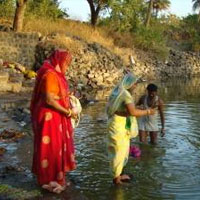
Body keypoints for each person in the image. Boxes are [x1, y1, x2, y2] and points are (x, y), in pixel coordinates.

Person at [30, 49, 77, 194]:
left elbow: (55, 95)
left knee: (56, 146)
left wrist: (66, 97)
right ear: (59, 60)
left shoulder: (55, 74)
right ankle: (49, 179)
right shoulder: (50, 74)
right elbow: (49, 99)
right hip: (50, 116)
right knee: (51, 148)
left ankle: (55, 177)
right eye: (66, 63)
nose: (67, 66)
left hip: (55, 115)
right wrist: (68, 112)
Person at [106, 73, 155, 185]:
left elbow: (120, 110)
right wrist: (148, 112)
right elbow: (132, 112)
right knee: (119, 152)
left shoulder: (116, 91)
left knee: (116, 151)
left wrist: (137, 108)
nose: (135, 86)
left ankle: (118, 175)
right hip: (119, 127)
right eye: (135, 84)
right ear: (130, 83)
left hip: (114, 123)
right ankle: (116, 180)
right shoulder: (126, 95)